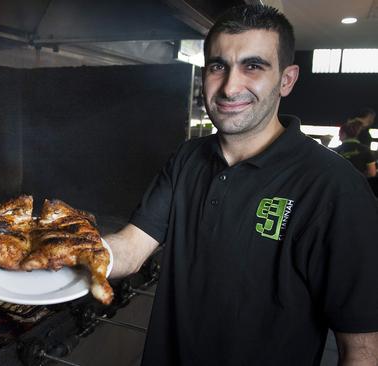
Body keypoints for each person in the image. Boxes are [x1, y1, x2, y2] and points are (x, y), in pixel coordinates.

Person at [105, 5, 378, 366]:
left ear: (287, 79)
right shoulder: (187, 157)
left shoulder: (335, 188)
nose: (230, 86)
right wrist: (51, 256)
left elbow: (362, 349)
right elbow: (130, 249)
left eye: (253, 66)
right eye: (218, 66)